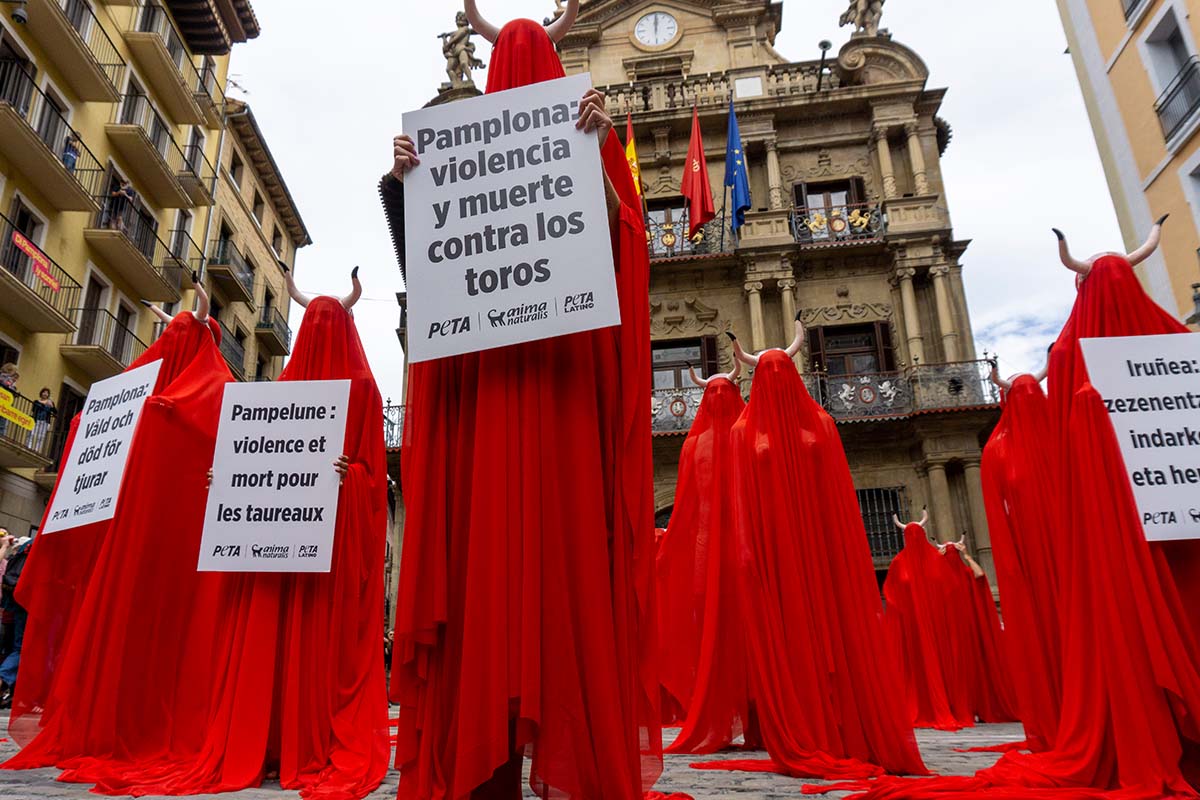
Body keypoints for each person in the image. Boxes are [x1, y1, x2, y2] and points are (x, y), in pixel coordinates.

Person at [386, 2, 662, 797]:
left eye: (528, 57)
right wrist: (411, 181)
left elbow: (621, 244)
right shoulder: (458, 156)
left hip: (548, 392)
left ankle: (542, 759)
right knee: (533, 574)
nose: (516, 71)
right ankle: (489, 768)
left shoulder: (590, 136)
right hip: (504, 396)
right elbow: (433, 280)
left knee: (533, 573)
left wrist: (600, 149)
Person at [0, 536, 32, 709]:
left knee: (16, 648)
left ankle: (13, 692)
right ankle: (4, 680)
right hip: (29, 605)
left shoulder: (21, 552)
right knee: (22, 649)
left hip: (15, 606)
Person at [29, 388, 55, 453]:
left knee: (41, 437)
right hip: (36, 420)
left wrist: (52, 406)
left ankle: (37, 450)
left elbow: (55, 412)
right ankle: (29, 447)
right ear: (41, 393)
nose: (45, 394)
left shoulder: (50, 403)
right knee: (31, 434)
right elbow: (33, 409)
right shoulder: (36, 401)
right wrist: (44, 403)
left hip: (45, 422)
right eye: (44, 392)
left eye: (47, 393)